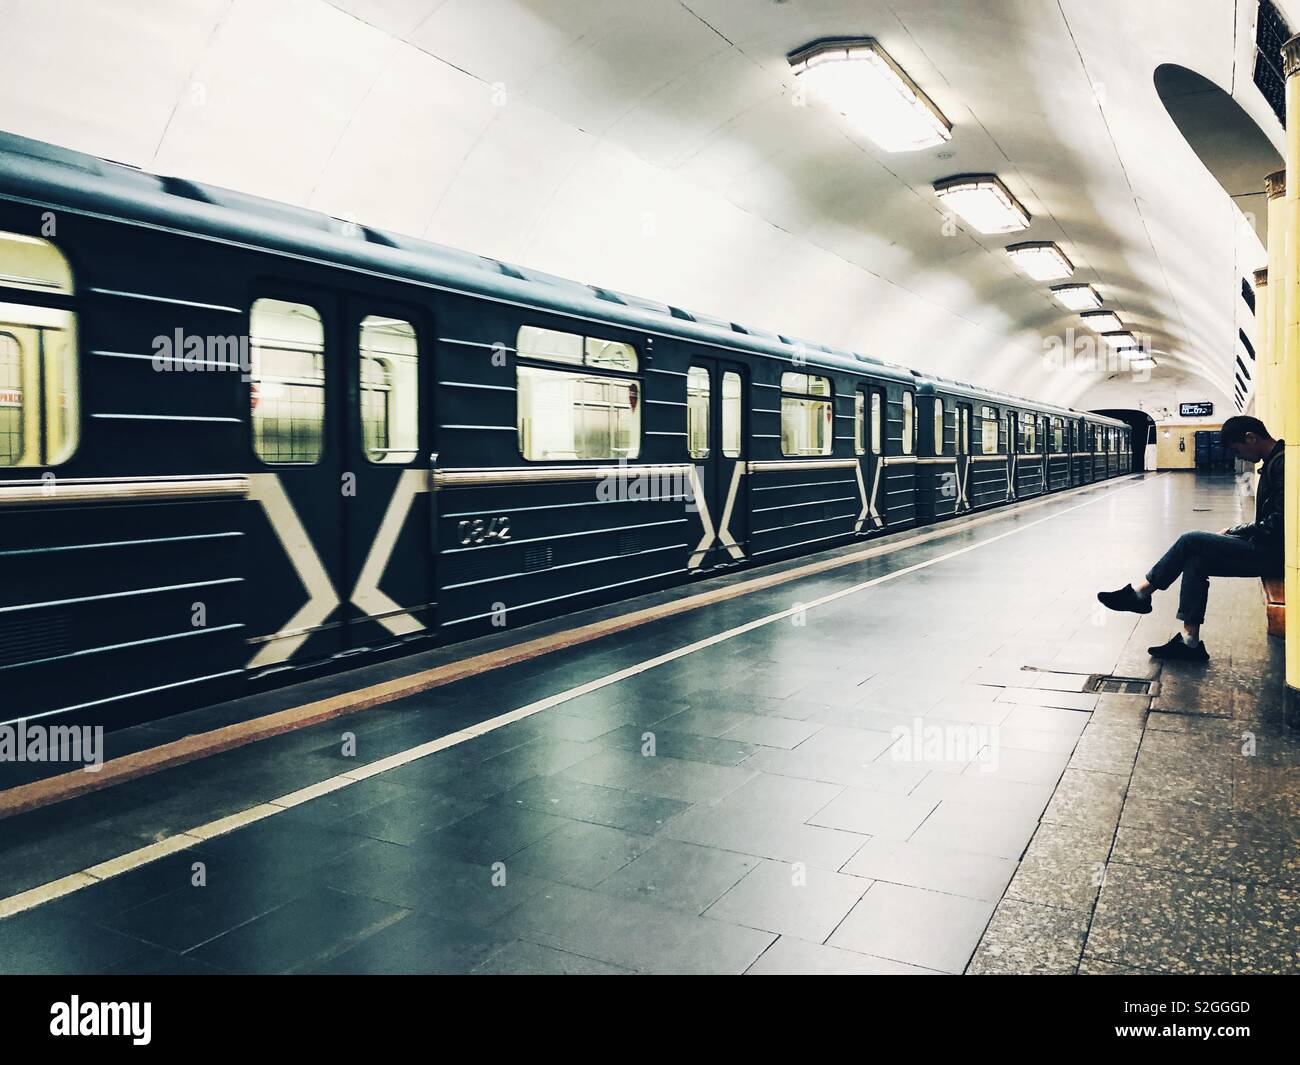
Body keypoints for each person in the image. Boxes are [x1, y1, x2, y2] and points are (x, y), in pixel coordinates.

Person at [1096, 415, 1284, 662]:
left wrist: (1238, 530)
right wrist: (1237, 530)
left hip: (1271, 553)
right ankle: (1189, 642)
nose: (1238, 457)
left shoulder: (1281, 465)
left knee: (1191, 540)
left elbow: (1279, 523)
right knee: (1195, 560)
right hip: (1268, 548)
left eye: (1237, 450)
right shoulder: (1276, 461)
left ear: (1251, 438)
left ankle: (1141, 593)